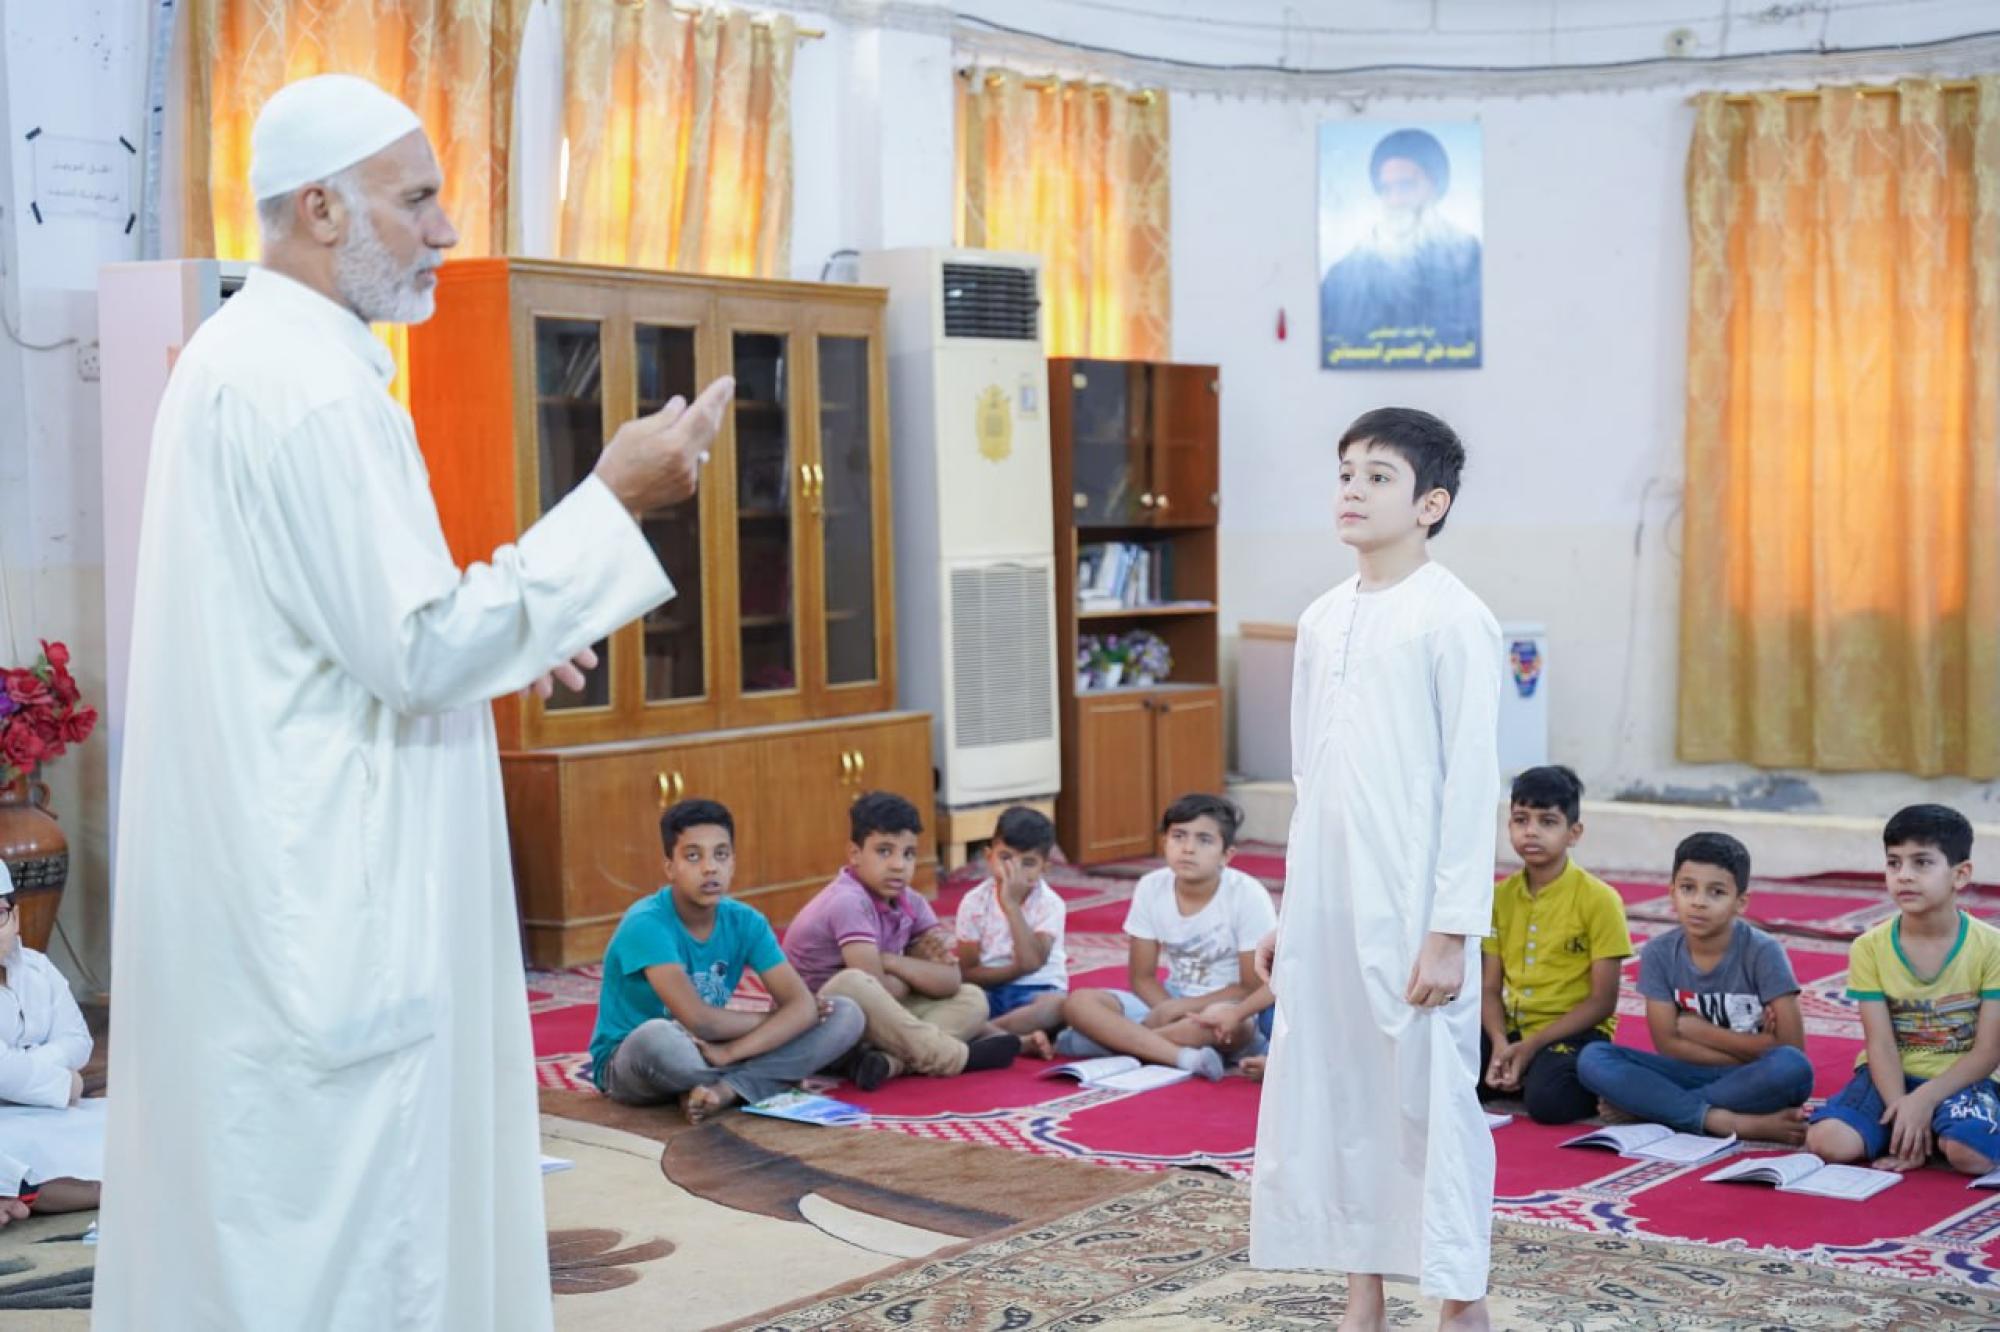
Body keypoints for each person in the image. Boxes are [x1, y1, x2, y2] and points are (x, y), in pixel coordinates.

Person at [95, 75, 733, 1330]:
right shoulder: (308, 387)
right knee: (344, 1229)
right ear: (321, 209)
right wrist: (612, 498)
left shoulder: (254, 357)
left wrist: (509, 640)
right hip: (328, 890)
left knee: (272, 1208)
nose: (444, 230)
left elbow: (349, 626)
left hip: (284, 864)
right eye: (418, 199)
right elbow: (417, 648)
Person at [1250, 407, 1502, 1332]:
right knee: (1337, 1089)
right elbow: (1308, 780)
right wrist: (1292, 910)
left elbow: (1473, 786)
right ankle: (1364, 1293)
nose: (1352, 490)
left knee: (1431, 1099)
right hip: (1328, 898)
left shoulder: (1456, 619)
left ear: (1431, 504)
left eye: (1378, 476)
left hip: (1413, 902)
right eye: (1346, 472)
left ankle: (1460, 1295)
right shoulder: (1322, 619)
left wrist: (1451, 930)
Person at [589, 799, 864, 1122]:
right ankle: (761, 1079)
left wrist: (730, 1051)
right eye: (693, 856)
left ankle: (724, 1090)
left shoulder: (746, 921)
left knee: (846, 1013)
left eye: (720, 855)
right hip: (635, 1060)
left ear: (733, 862)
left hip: (716, 1046)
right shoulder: (646, 922)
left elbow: (801, 1005)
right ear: (670, 867)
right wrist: (780, 1019)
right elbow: (700, 1021)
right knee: (658, 1037)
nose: (710, 868)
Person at [1577, 832, 1813, 1143]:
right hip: (1690, 1071)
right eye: (1688, 888)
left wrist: (1703, 1032)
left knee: (1792, 1068)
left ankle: (1655, 1109)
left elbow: (1791, 1047)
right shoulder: (1660, 953)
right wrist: (1755, 1047)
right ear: (1672, 892)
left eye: (1716, 892)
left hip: (1751, 1077)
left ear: (1740, 902)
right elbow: (1667, 1044)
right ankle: (1725, 1121)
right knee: (1593, 1058)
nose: (1699, 902)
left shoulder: (1763, 952)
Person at [1805, 805, 2000, 1175]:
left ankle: (1940, 1128)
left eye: (1921, 863)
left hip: (1961, 1077)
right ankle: (1919, 1132)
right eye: (1894, 863)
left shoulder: (1992, 947)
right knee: (1828, 1142)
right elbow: (1880, 1043)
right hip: (1889, 1076)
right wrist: (1902, 1108)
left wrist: (1923, 1100)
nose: (1904, 875)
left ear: (1960, 875)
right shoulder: (1870, 947)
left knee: (1971, 1155)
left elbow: (1988, 1052)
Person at [783, 792, 1021, 1088]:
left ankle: (888, 1063)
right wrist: (914, 969)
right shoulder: (848, 901)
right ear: (855, 854)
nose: (898, 865)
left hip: (876, 1026)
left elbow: (950, 979)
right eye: (884, 851)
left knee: (971, 998)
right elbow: (874, 988)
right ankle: (955, 1057)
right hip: (822, 1025)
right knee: (851, 982)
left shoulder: (913, 901)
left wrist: (891, 961)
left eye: (908, 854)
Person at [1057, 795, 1275, 1080]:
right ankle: (1183, 1057)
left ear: (1227, 854)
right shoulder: (1151, 887)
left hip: (1226, 1009)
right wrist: (1165, 1007)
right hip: (1167, 999)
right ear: (1164, 842)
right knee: (1079, 1002)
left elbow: (1250, 987)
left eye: (1204, 840)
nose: (1188, 848)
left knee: (1223, 1027)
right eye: (1179, 836)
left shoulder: (1247, 895)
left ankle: (1112, 1042)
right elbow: (1142, 978)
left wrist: (1179, 1009)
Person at [1478, 766, 1633, 1124]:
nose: (1531, 831)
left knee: (1549, 1103)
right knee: (1453, 1068)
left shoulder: (1600, 900)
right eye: (1521, 820)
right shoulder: (1499, 897)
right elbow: (1489, 987)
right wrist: (1500, 1042)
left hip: (1576, 1032)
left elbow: (1603, 1002)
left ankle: (1539, 1071)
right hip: (1515, 1027)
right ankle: (1518, 1066)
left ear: (1573, 833)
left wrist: (1532, 1046)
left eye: (1547, 821)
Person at [1320, 128, 1482, 365]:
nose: (1395, 201)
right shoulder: (1343, 278)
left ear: (1435, 187)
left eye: (1406, 186)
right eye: (1386, 189)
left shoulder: (1473, 264)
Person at [0, 860, 101, 1224]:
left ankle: (20, 1193)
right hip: (13, 1117)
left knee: (119, 1124)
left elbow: (78, 1041)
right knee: (11, 1148)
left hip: (48, 1109)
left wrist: (28, 1063)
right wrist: (66, 1083)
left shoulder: (38, 969)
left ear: (15, 917)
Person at [953, 806, 1071, 1057]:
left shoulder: (1050, 904)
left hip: (1037, 990)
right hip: (989, 991)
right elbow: (968, 972)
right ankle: (1013, 1040)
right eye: (1005, 858)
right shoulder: (974, 902)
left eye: (1028, 863)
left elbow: (1032, 962)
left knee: (1059, 1007)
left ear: (1045, 867)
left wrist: (1012, 905)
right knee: (959, 999)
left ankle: (982, 1035)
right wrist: (1013, 971)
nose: (1013, 872)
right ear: (989, 856)